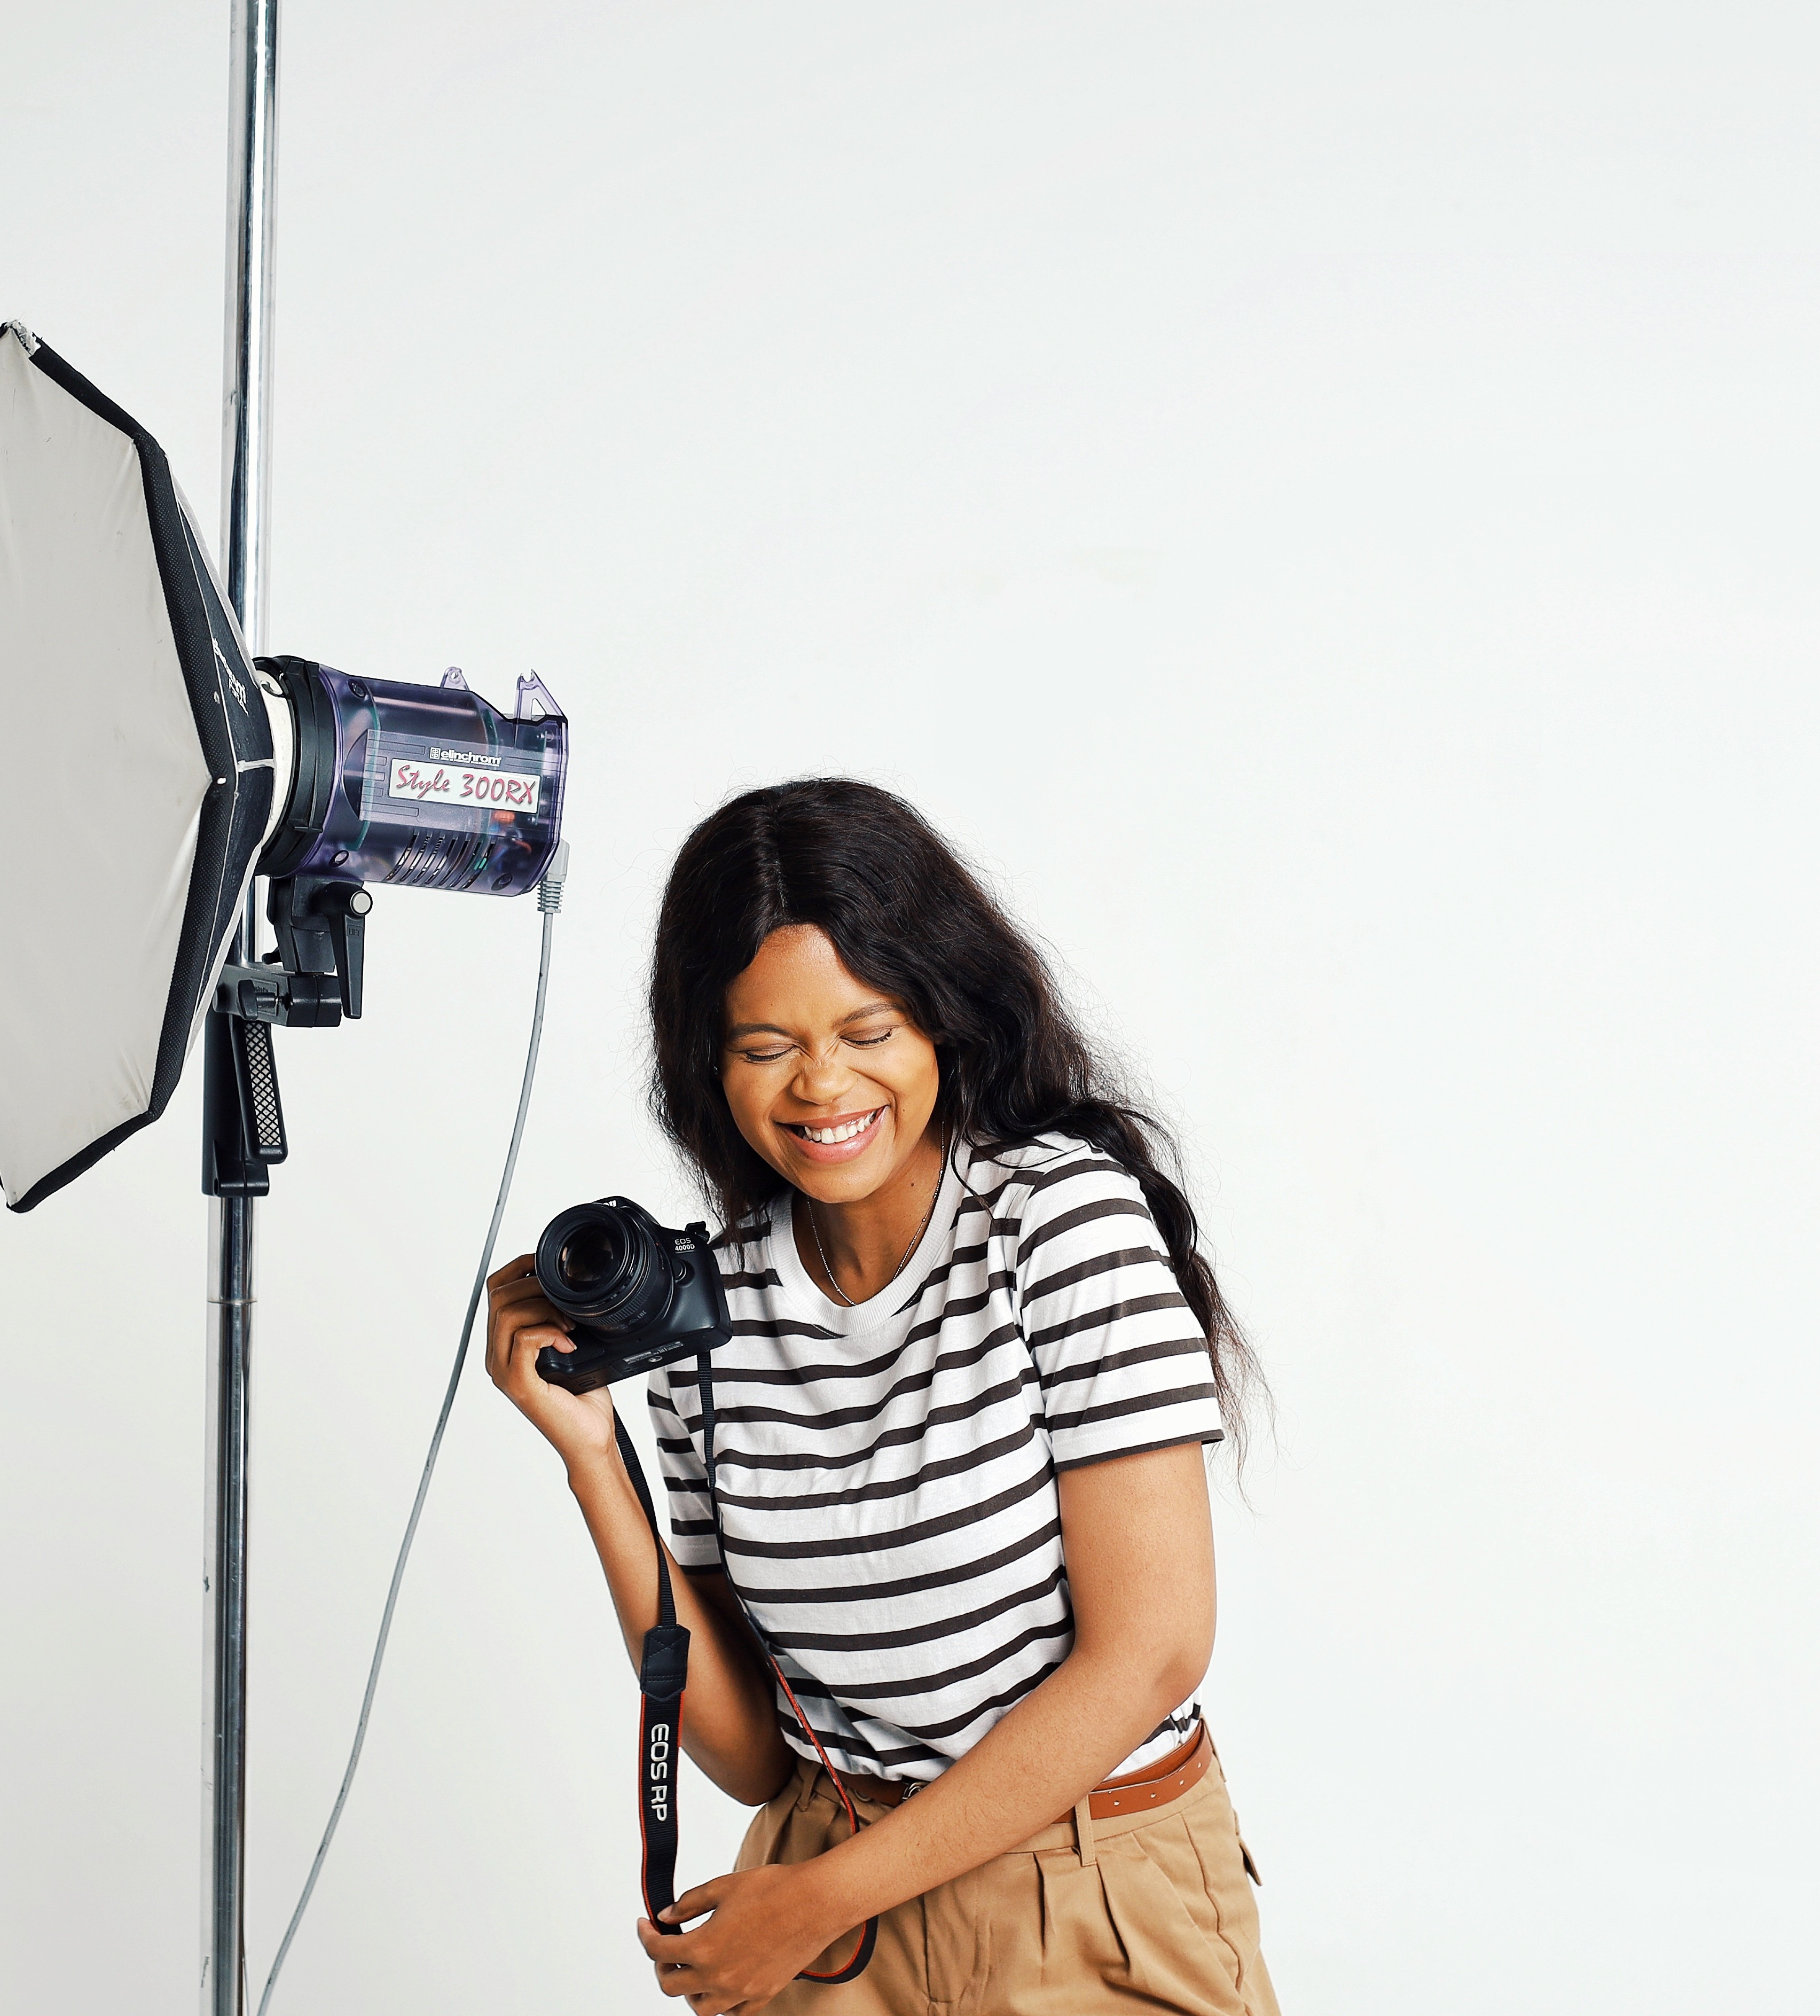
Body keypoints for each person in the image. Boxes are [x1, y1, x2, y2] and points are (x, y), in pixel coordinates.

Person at [485, 779, 1277, 2015]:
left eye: (866, 1032)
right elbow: (752, 1756)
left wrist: (827, 1896)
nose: (820, 1085)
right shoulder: (708, 1306)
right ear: (706, 1059)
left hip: (1082, 1881)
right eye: (765, 1047)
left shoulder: (1054, 1220)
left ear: (941, 1020)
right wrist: (591, 1455)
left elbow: (1151, 1649)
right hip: (826, 1897)